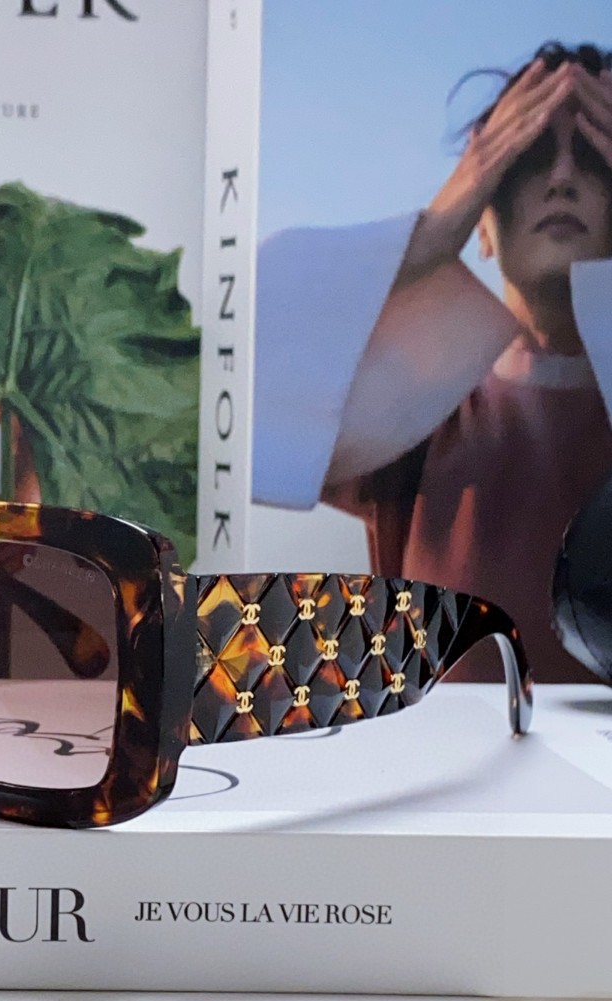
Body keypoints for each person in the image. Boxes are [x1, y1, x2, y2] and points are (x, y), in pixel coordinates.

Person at [254, 43, 612, 681]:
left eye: (594, 157)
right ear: (484, 224)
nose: (561, 176)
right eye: (526, 157)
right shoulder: (418, 407)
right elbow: (221, 392)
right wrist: (430, 233)